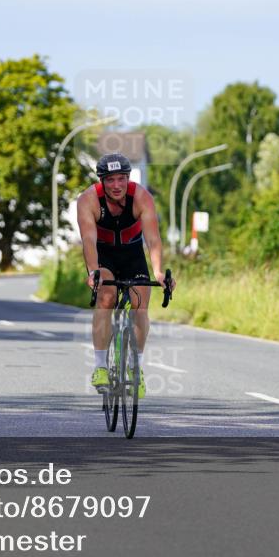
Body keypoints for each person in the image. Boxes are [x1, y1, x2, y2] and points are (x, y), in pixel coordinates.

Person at [76, 153, 174, 398]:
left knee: (140, 305)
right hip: (103, 256)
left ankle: (135, 368)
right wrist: (93, 271)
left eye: (122, 179)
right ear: (101, 181)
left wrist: (159, 271)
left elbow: (152, 239)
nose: (117, 185)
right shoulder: (88, 200)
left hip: (132, 254)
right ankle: (100, 366)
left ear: (128, 179)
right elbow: (88, 239)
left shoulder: (141, 197)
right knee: (106, 297)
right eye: (110, 180)